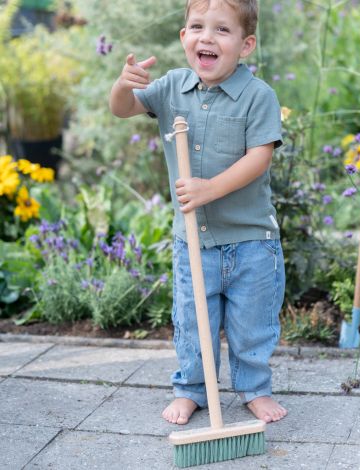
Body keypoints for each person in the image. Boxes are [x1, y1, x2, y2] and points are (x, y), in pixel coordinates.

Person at [109, 0, 287, 425]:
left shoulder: (258, 96)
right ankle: (192, 389)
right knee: (192, 322)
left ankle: (253, 387)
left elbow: (259, 157)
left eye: (221, 31)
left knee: (252, 324)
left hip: (251, 241)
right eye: (196, 26)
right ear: (183, 38)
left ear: (246, 46)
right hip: (194, 240)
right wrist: (122, 84)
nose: (206, 37)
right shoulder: (171, 88)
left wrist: (209, 188)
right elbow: (122, 108)